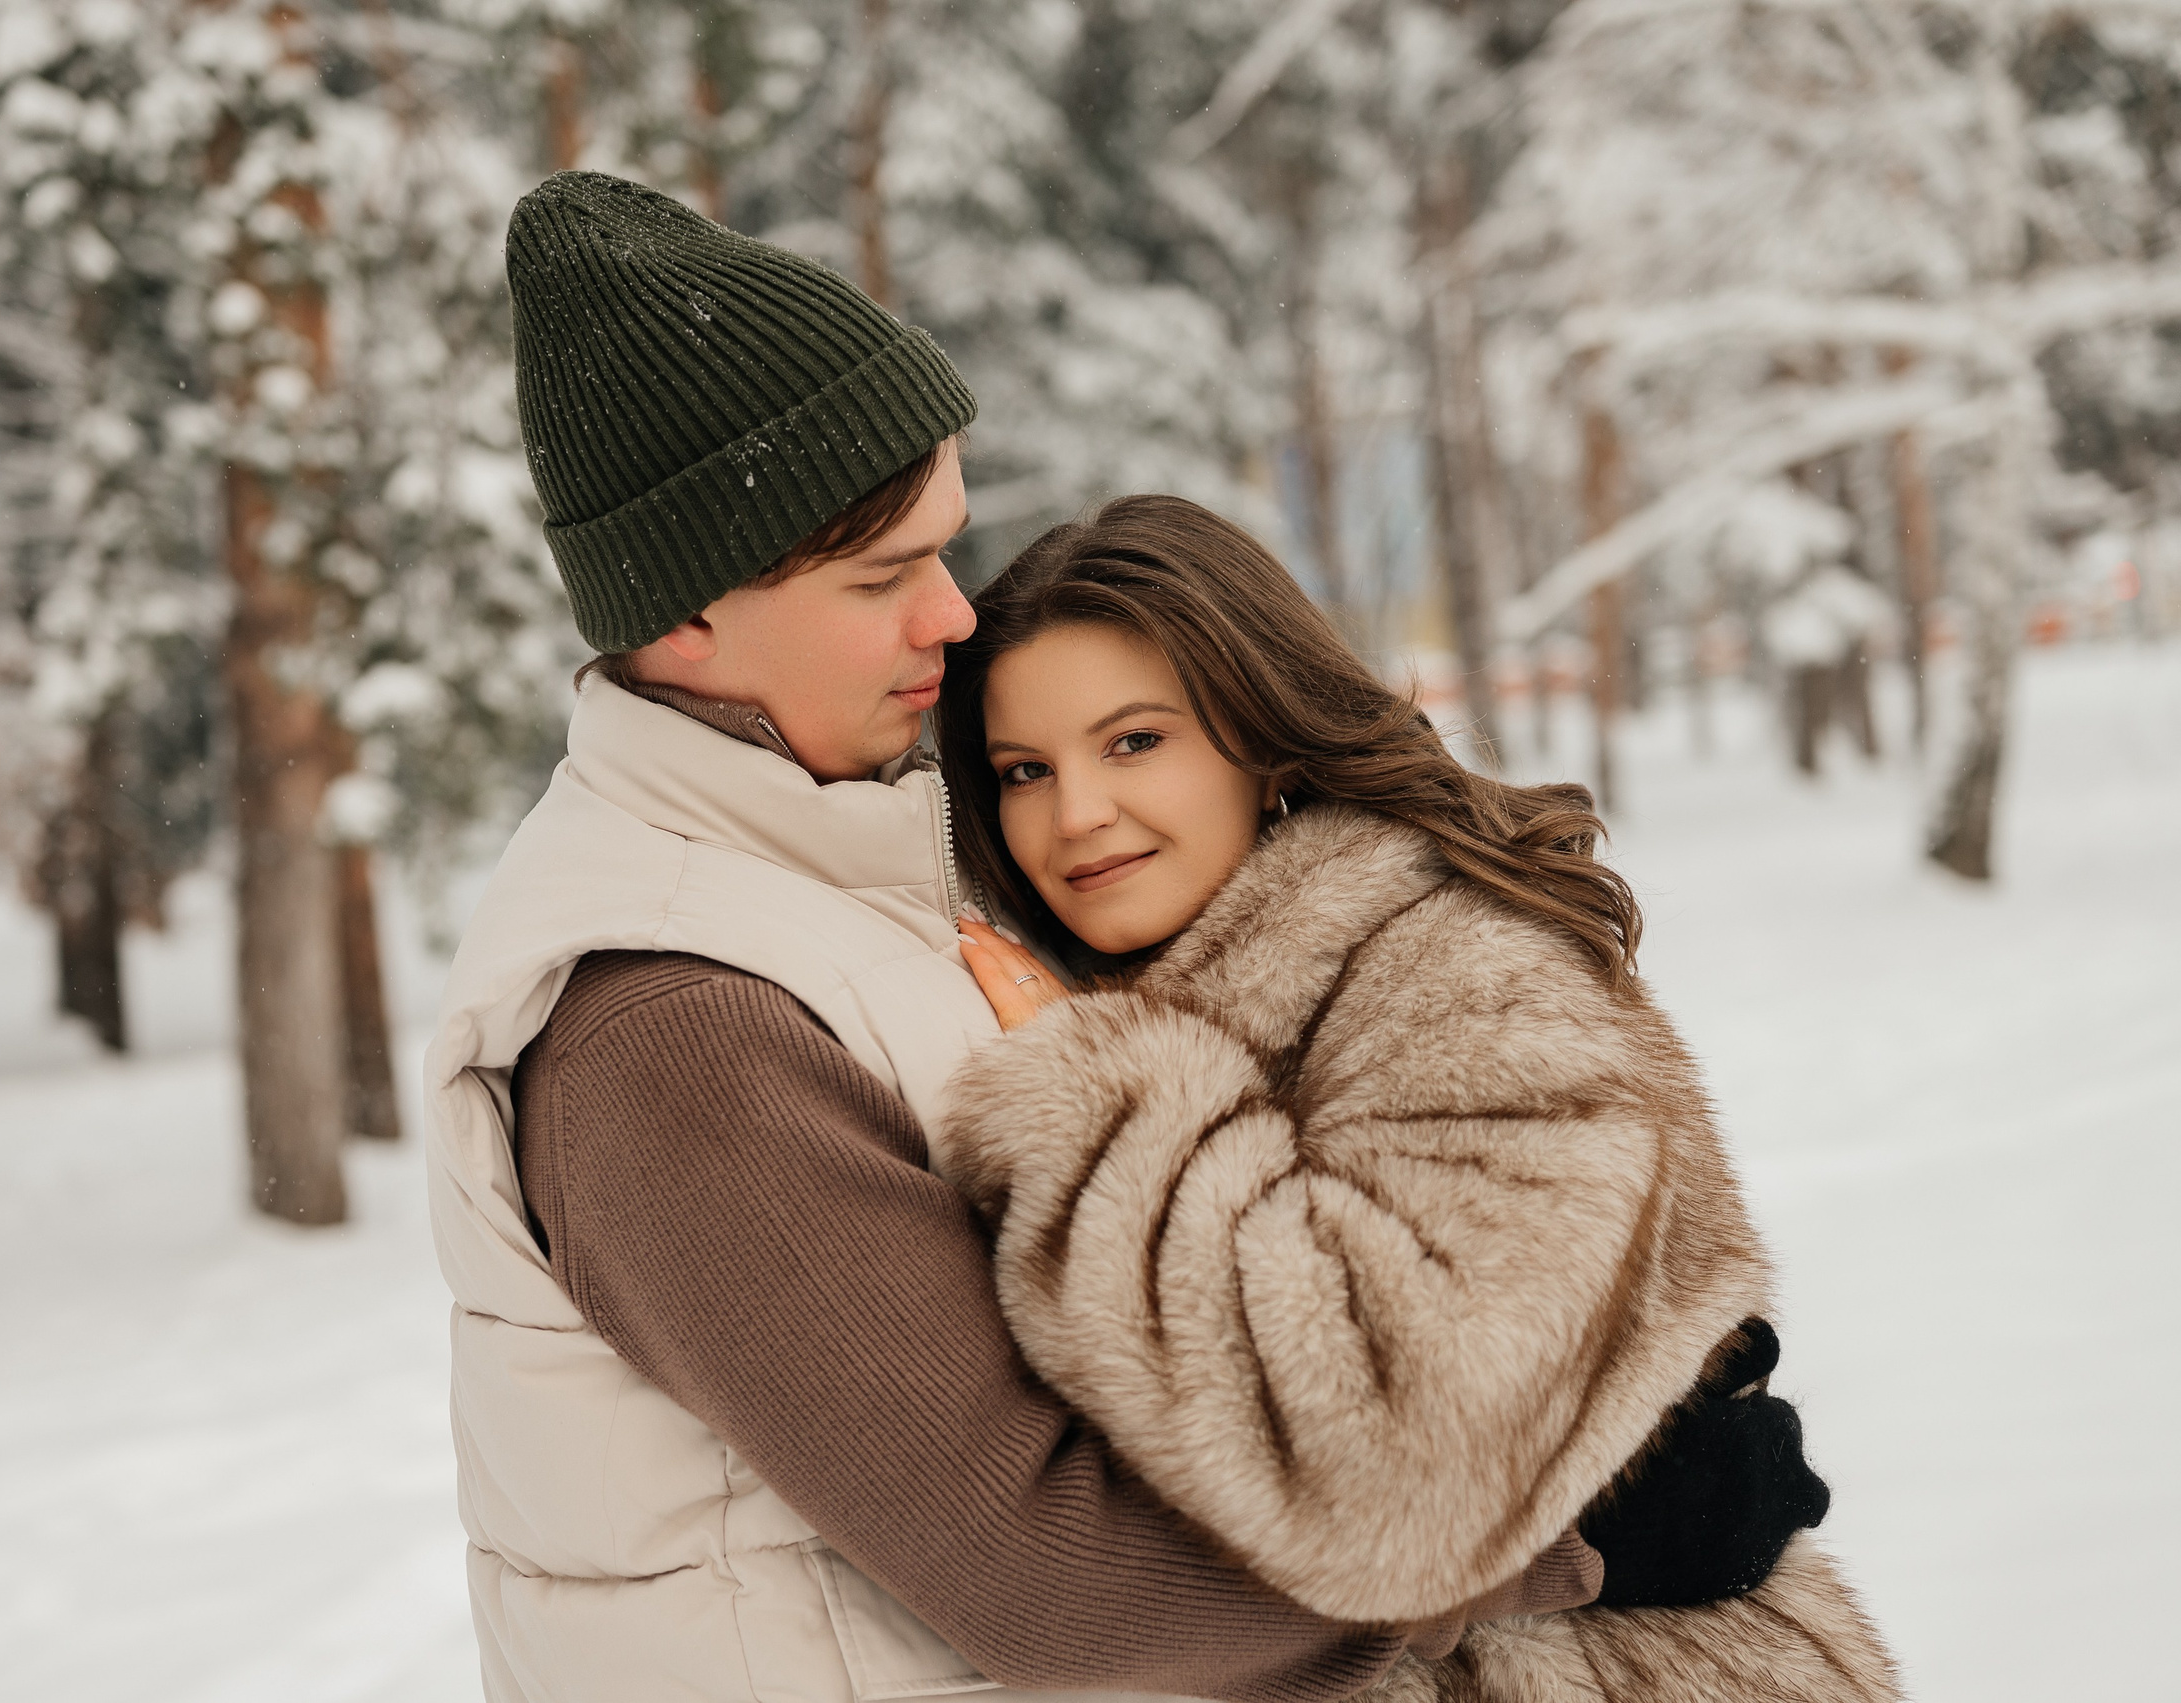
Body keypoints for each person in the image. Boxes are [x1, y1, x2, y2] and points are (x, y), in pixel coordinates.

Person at [429, 171, 1812, 1703]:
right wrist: (1587, 1535)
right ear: (685, 613)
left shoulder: (872, 859)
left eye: (948, 550)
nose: (952, 618)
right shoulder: (674, 1015)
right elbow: (1056, 1569)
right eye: (885, 577)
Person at [934, 496, 1904, 1703]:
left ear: (1262, 736)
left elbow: (1399, 1469)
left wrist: (1101, 1108)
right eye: (1025, 768)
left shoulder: (1449, 967)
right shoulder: (1101, 1009)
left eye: (1134, 740)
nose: (1073, 813)